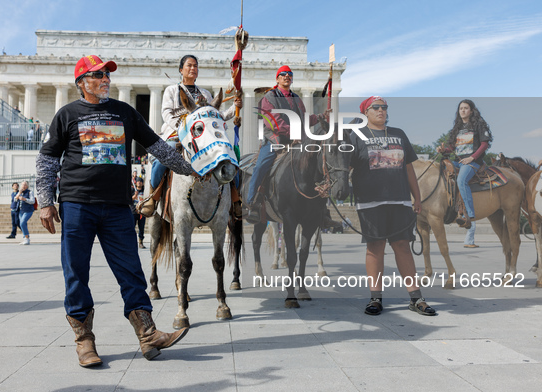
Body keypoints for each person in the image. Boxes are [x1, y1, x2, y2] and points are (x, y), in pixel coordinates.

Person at [36, 54, 194, 367]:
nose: (106, 80)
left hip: (118, 206)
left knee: (131, 272)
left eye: (107, 75)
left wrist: (189, 168)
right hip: (77, 204)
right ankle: (84, 340)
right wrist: (44, 200)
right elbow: (47, 159)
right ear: (82, 82)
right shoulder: (67, 114)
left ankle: (148, 334)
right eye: (98, 75)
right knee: (76, 273)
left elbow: (157, 145)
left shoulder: (124, 112)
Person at [350, 96, 436, 316]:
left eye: (384, 107)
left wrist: (417, 197)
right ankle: (375, 298)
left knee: (402, 247)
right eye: (376, 107)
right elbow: (343, 166)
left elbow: (408, 169)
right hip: (370, 201)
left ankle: (416, 298)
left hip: (400, 200)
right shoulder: (355, 135)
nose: (381, 110)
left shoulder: (398, 134)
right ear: (365, 112)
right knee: (375, 248)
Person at [144, 54, 241, 216]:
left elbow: (214, 116)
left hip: (200, 139)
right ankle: (153, 198)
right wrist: (183, 129)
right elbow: (166, 113)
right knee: (164, 156)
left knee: (228, 156)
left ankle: (235, 199)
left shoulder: (204, 94)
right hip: (176, 134)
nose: (193, 68)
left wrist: (234, 108)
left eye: (195, 66)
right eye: (189, 65)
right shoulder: (171, 90)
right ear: (181, 70)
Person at [245, 65, 330, 223]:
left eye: (289, 75)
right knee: (261, 166)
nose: (287, 77)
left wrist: (319, 117)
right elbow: (273, 122)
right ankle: (252, 202)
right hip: (275, 140)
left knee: (318, 163)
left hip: (297, 141)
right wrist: (293, 133)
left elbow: (304, 119)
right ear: (277, 78)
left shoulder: (296, 99)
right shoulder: (269, 97)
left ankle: (321, 206)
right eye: (283, 75)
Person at [437, 99, 492, 229]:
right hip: (458, 161)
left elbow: (485, 144)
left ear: (471, 110)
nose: (463, 110)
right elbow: (452, 148)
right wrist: (443, 150)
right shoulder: (457, 128)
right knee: (439, 174)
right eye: (461, 108)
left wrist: (472, 158)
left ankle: (468, 214)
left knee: (461, 180)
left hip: (473, 162)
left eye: (466, 108)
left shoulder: (479, 124)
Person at [15, 181, 35, 245]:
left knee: (22, 223)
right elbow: (15, 200)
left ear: (27, 186)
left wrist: (25, 199)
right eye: (22, 185)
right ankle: (26, 238)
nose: (23, 186)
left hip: (28, 211)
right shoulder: (20, 192)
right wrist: (19, 193)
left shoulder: (30, 192)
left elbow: (32, 201)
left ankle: (27, 238)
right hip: (21, 211)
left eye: (25, 185)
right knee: (23, 224)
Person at [132, 178, 146, 249]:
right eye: (138, 182)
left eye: (141, 182)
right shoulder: (132, 190)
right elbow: (129, 199)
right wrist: (134, 196)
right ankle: (131, 243)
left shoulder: (145, 191)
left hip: (142, 213)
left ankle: (141, 242)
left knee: (141, 229)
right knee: (132, 228)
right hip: (133, 212)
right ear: (136, 183)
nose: (139, 183)